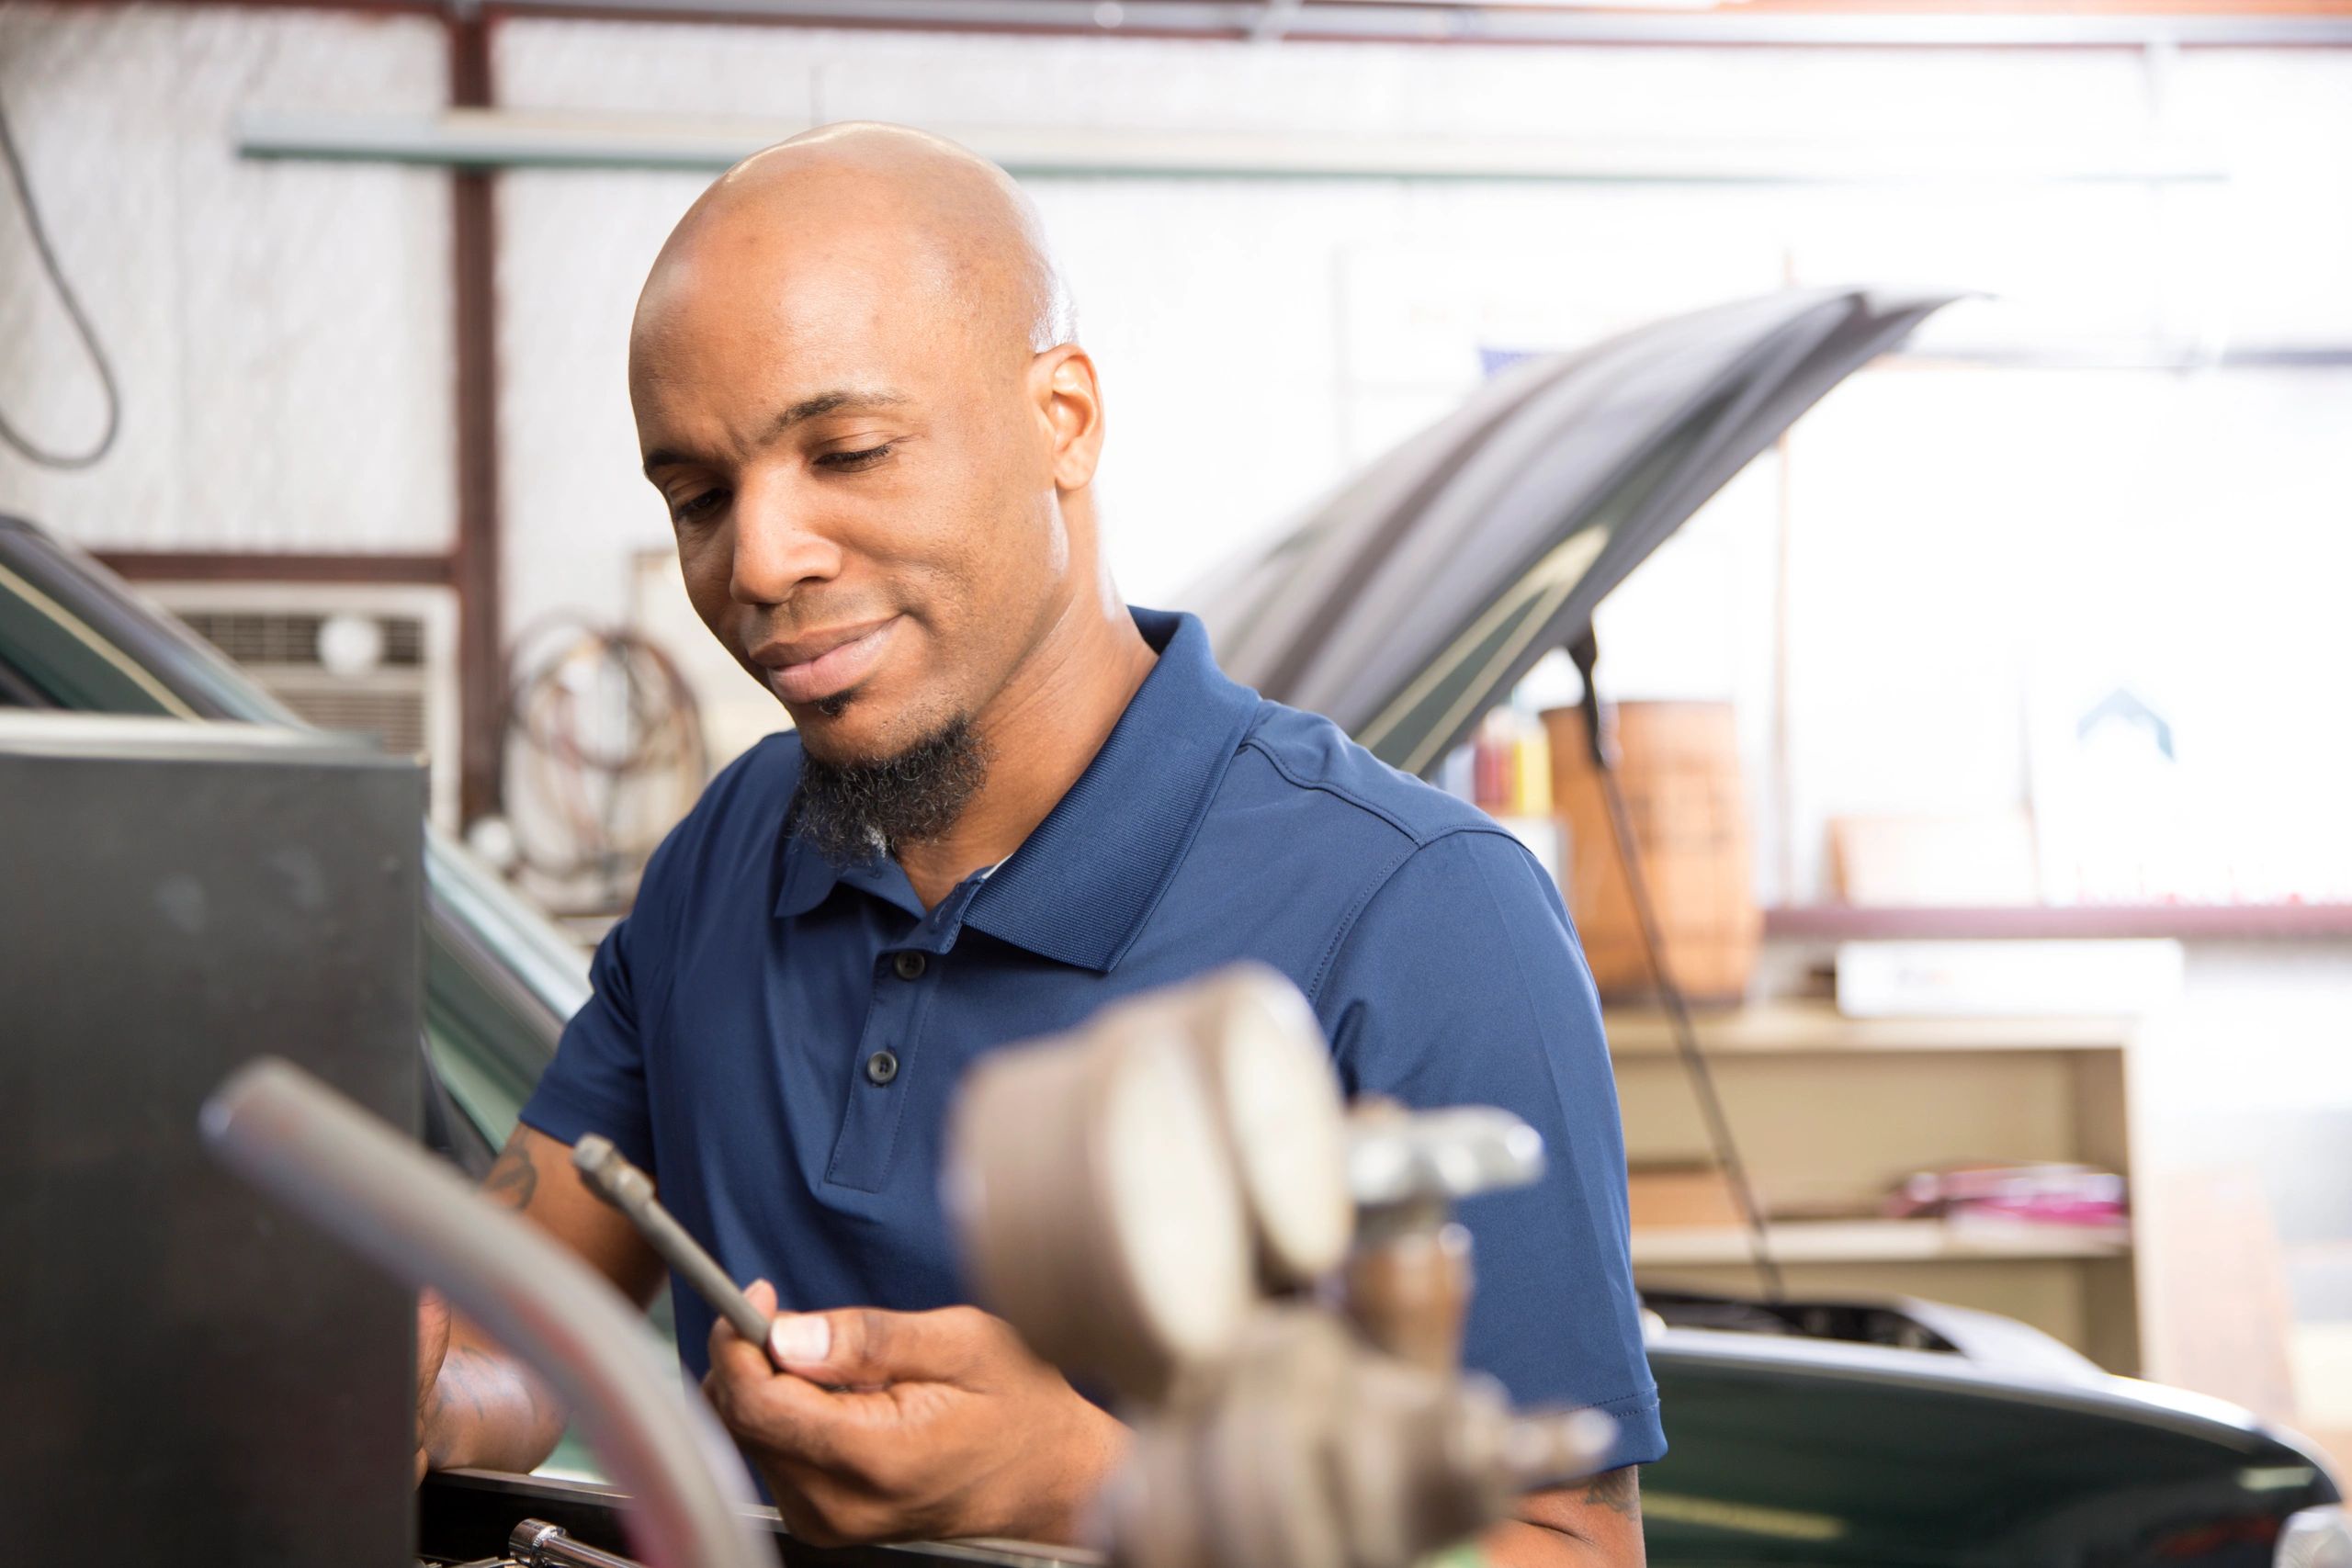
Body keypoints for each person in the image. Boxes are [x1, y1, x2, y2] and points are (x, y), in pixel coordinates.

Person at [417, 121, 1660, 1566]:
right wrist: (417, 1381)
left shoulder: (1422, 914)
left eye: (849, 451)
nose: (759, 562)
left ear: (1062, 418)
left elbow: (1563, 1551)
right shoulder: (722, 860)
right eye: (698, 496)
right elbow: (512, 1342)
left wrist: (1092, 1488)